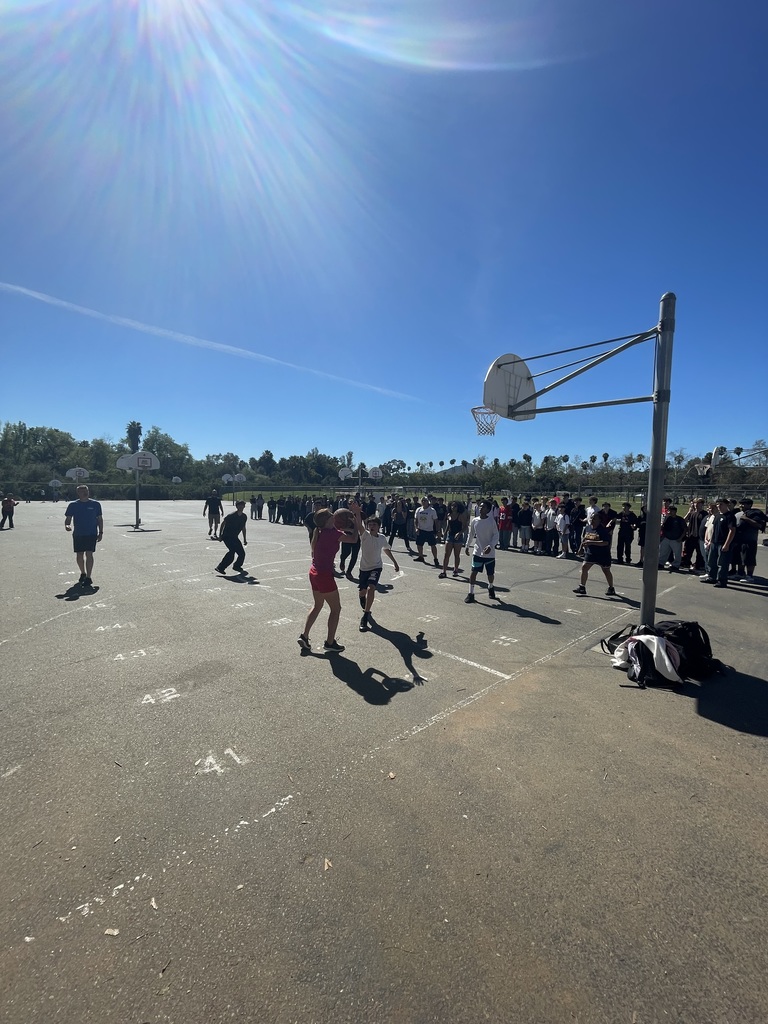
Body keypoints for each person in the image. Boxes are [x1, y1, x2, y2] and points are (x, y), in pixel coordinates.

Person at [298, 504, 361, 653]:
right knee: (336, 609)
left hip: (314, 572)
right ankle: (330, 642)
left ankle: (304, 636)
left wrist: (350, 527)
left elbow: (343, 532)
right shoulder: (332, 533)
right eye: (331, 514)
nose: (334, 515)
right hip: (324, 575)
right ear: (328, 520)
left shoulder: (319, 531)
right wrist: (357, 518)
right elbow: (353, 540)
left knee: (317, 605)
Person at [356, 516, 399, 631]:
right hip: (364, 568)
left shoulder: (382, 538)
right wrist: (356, 511)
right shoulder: (364, 535)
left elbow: (386, 549)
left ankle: (365, 616)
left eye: (374, 524)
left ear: (379, 526)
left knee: (371, 588)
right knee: (362, 592)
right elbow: (358, 525)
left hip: (376, 567)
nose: (372, 526)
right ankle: (362, 599)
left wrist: (395, 562)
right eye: (370, 525)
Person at [64, 485, 103, 586]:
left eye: (86, 491)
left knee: (89, 554)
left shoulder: (95, 504)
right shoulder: (73, 505)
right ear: (78, 493)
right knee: (79, 554)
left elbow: (99, 519)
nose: (85, 493)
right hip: (79, 533)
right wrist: (67, 525)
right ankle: (83, 572)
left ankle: (89, 577)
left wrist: (101, 532)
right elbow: (68, 518)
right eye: (82, 491)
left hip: (91, 533)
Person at [464, 500, 500, 603]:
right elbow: (471, 534)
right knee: (473, 572)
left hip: (489, 554)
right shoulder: (475, 520)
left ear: (488, 510)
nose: (481, 508)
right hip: (477, 552)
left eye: (483, 507)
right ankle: (471, 594)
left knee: (490, 574)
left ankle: (491, 587)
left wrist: (490, 546)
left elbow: (496, 535)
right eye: (480, 506)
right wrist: (467, 546)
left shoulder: (491, 521)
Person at [573, 511, 615, 596]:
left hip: (603, 554)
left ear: (599, 520)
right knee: (584, 567)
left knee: (606, 570)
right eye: (591, 518)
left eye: (594, 518)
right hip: (591, 553)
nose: (592, 520)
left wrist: (591, 543)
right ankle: (582, 587)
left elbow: (606, 543)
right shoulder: (588, 528)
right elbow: (584, 539)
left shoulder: (602, 530)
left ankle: (611, 588)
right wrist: (580, 549)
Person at [700, 498, 737, 588]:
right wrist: (711, 541)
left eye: (721, 504)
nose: (719, 506)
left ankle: (722, 581)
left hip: (723, 543)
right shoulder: (717, 516)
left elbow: (732, 530)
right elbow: (714, 530)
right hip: (714, 543)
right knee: (711, 561)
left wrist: (727, 544)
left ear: (726, 505)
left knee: (722, 563)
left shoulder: (730, 516)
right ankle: (712, 577)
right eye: (717, 504)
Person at [733, 498, 765, 584]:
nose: (741, 506)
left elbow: (758, 525)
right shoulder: (738, 514)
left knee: (749, 559)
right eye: (740, 504)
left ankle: (750, 575)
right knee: (740, 558)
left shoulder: (755, 514)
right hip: (739, 540)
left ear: (749, 505)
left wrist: (746, 519)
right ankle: (740, 573)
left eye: (743, 504)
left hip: (750, 540)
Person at [215, 501, 248, 574]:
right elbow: (223, 524)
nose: (241, 507)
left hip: (234, 537)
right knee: (232, 552)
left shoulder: (244, 517)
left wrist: (245, 539)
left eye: (242, 506)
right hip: (227, 536)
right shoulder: (231, 516)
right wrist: (220, 535)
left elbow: (243, 528)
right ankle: (220, 567)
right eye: (239, 506)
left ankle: (236, 566)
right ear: (237, 507)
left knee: (242, 553)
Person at [439, 501, 470, 577]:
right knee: (446, 554)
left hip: (458, 537)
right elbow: (448, 525)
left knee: (456, 555)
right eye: (452, 506)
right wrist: (445, 533)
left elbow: (465, 527)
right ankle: (444, 571)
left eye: (455, 506)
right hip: (450, 535)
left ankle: (455, 570)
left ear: (458, 507)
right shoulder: (449, 515)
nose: (453, 507)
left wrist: (459, 533)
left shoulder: (460, 516)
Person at [658, 505, 686, 572]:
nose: (670, 512)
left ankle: (676, 565)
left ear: (675, 511)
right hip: (666, 538)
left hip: (676, 539)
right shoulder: (667, 518)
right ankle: (661, 563)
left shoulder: (679, 519)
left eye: (672, 511)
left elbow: (685, 529)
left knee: (677, 553)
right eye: (669, 511)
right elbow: (662, 527)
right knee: (663, 551)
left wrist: (681, 538)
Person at [414, 496, 440, 566]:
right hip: (421, 530)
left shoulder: (432, 510)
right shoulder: (418, 510)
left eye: (425, 501)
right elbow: (415, 520)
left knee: (433, 545)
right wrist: (416, 528)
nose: (423, 502)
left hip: (429, 530)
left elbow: (436, 521)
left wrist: (437, 531)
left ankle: (435, 558)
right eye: (422, 501)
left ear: (427, 502)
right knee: (419, 544)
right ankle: (421, 556)